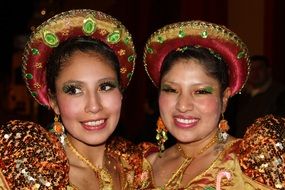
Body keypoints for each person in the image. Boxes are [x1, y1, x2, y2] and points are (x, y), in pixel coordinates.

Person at [0, 9, 143, 189]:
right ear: (54, 102)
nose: (94, 106)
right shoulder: (30, 170)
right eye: (74, 90)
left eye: (105, 87)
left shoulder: (136, 168)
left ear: (120, 92)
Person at [139, 20, 285, 189]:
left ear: (224, 99)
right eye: (171, 90)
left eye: (200, 91)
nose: (183, 105)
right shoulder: (143, 166)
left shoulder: (251, 163)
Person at [227, 55, 285, 138]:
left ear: (268, 70)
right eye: (252, 69)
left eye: (259, 68)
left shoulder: (280, 94)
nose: (255, 72)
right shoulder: (239, 96)